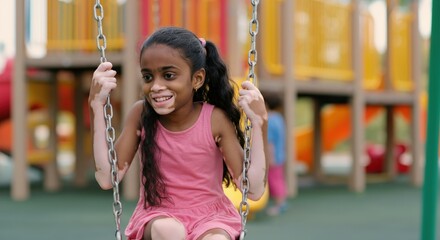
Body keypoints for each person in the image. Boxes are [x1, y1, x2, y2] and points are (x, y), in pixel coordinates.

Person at [89, 27, 268, 240]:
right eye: (148, 77)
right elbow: (107, 178)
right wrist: (96, 106)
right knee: (170, 231)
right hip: (159, 214)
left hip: (211, 218)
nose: (156, 86)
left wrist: (258, 123)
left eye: (168, 75)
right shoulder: (141, 114)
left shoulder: (215, 120)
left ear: (197, 79)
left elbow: (253, 190)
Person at [261, 91, 288, 216]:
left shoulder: (269, 120)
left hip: (273, 157)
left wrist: (270, 159)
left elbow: (270, 142)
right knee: (279, 179)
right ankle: (282, 201)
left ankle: (279, 204)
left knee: (274, 180)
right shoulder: (279, 118)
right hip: (280, 155)